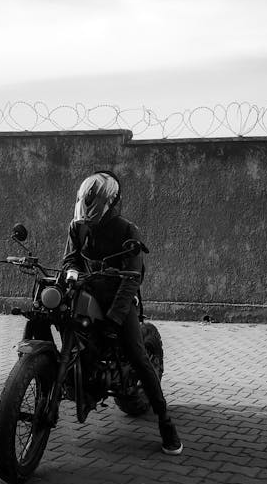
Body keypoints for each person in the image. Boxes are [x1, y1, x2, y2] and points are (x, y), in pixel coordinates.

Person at [63, 170, 183, 455]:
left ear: (110, 201)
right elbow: (71, 258)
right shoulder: (77, 227)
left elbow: (132, 279)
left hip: (119, 298)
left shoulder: (128, 230)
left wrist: (115, 319)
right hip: (88, 293)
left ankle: (166, 425)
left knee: (137, 356)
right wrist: (72, 273)